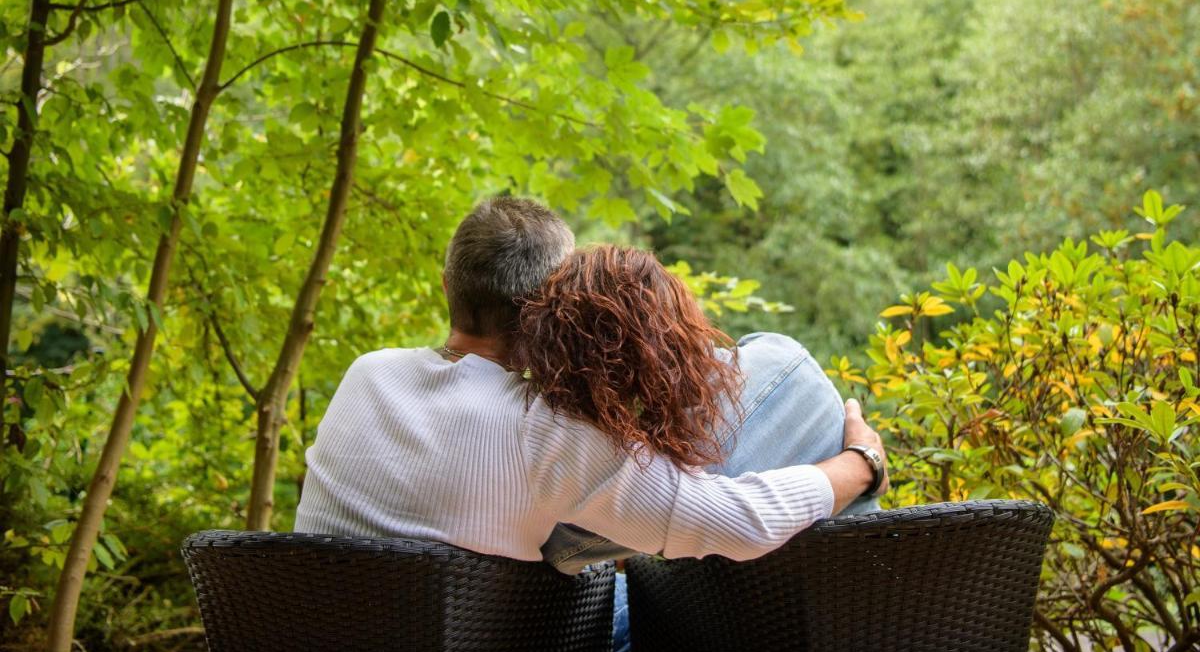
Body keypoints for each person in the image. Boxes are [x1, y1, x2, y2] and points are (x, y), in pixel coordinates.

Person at [294, 197, 886, 597]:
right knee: (784, 366)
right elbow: (737, 523)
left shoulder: (366, 375)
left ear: (448, 285)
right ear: (551, 306)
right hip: (516, 635)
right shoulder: (540, 432)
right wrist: (860, 464)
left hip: (318, 633)